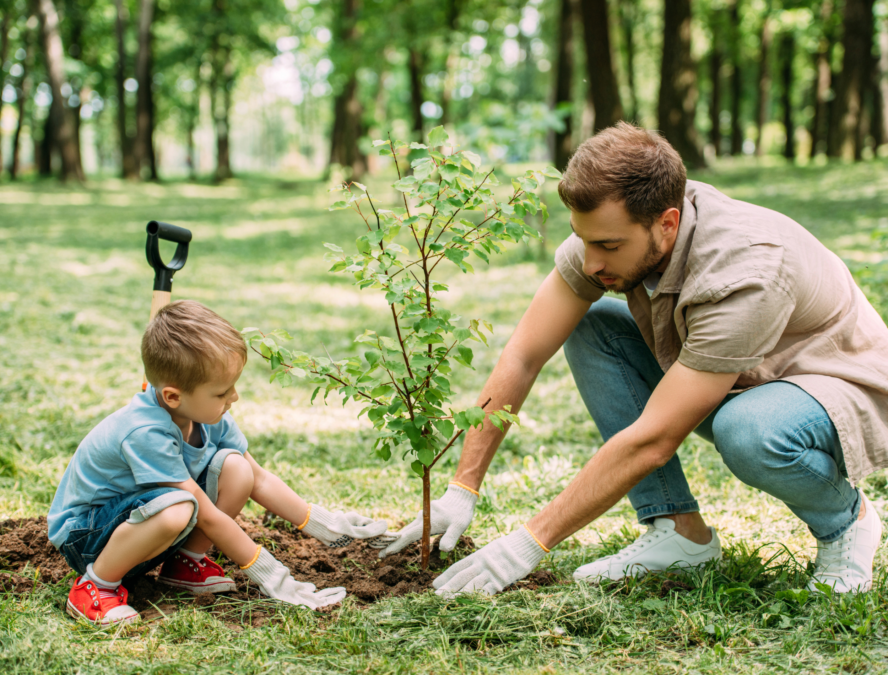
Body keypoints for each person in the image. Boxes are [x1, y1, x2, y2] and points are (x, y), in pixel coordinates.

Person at [382, 122, 888, 597]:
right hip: (738, 376)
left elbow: (654, 440)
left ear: (667, 223)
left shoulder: (746, 271)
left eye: (607, 245)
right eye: (583, 239)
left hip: (834, 389)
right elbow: (523, 354)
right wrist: (462, 488)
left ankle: (846, 521)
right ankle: (679, 533)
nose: (590, 261)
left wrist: (527, 543)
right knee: (591, 322)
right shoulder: (610, 236)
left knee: (747, 429)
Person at [48, 300, 392, 625]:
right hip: (88, 536)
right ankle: (95, 587)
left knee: (236, 469)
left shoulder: (206, 414)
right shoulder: (144, 432)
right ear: (172, 396)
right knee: (179, 507)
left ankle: (184, 564)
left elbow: (258, 479)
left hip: (139, 524)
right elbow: (207, 516)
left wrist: (324, 525)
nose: (234, 397)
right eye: (221, 392)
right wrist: (272, 575)